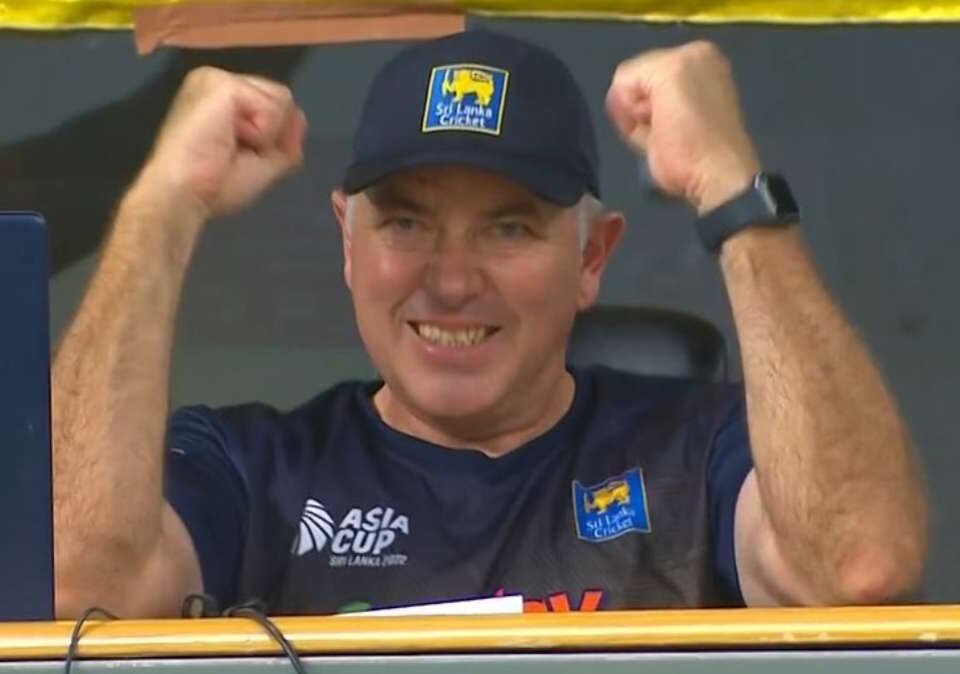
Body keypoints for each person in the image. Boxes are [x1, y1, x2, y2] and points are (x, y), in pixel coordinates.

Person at [52, 30, 926, 618]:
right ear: (348, 244)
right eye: (406, 223)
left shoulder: (700, 451)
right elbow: (74, 585)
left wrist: (730, 186)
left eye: (508, 229)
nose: (452, 280)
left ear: (592, 258)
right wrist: (160, 209)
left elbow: (856, 566)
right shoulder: (249, 469)